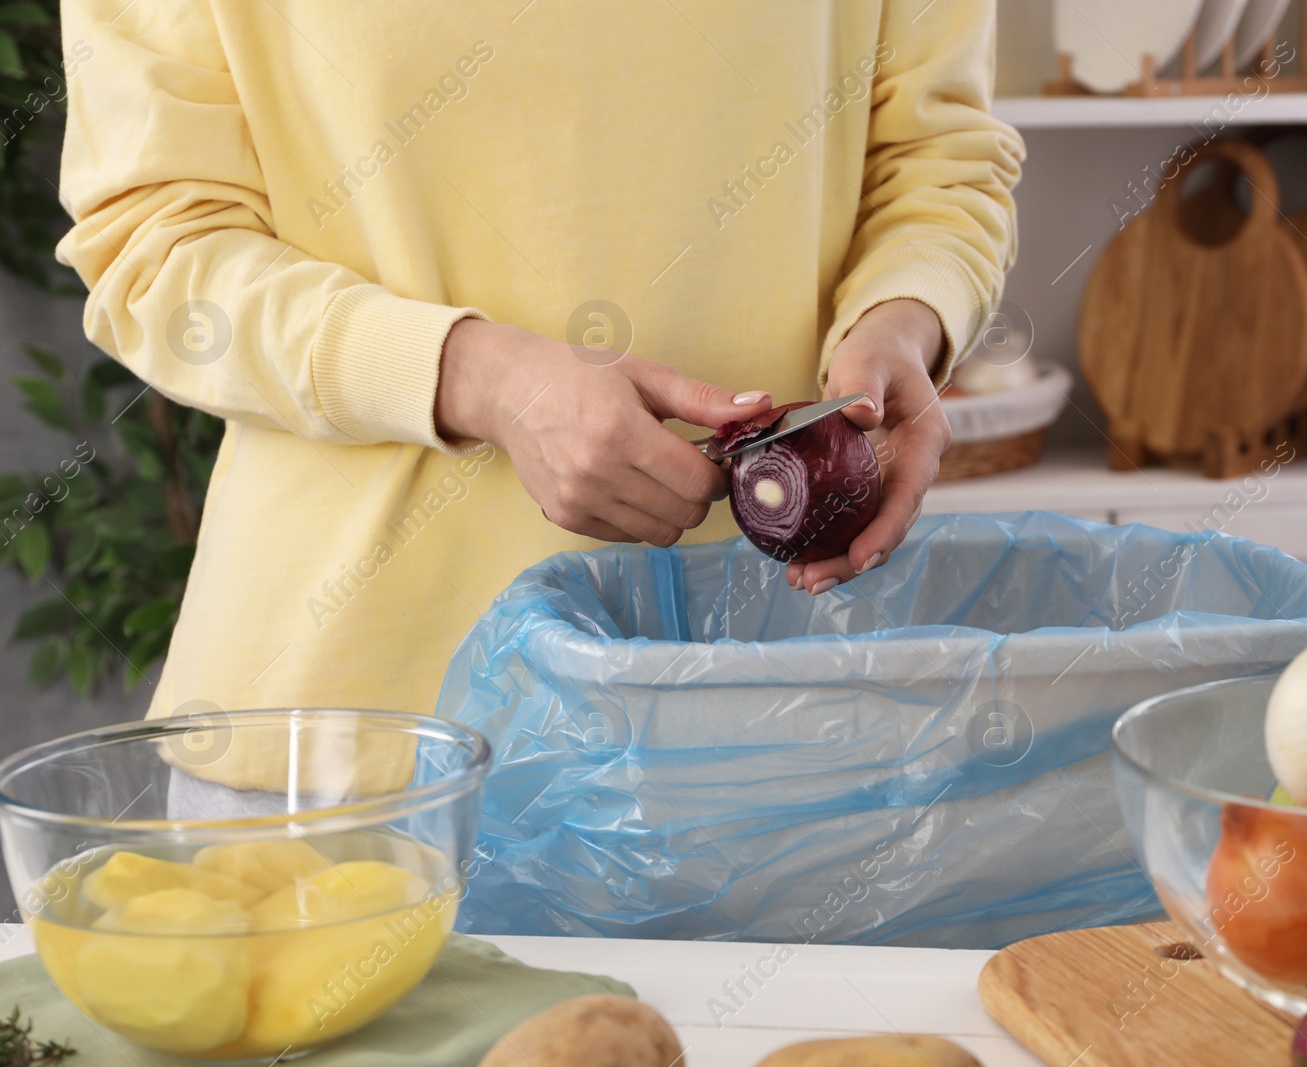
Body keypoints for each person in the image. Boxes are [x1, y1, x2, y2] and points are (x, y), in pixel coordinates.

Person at [56, 0, 1023, 724]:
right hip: (360, 735)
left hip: (775, 707)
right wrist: (478, 378)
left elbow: (937, 160)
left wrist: (905, 320)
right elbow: (155, 243)